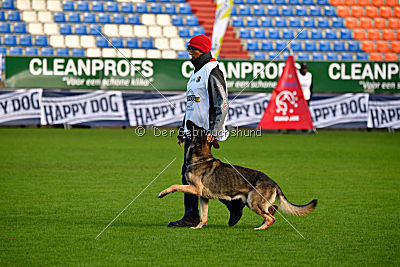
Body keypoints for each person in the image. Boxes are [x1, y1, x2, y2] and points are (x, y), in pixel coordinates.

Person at [168, 34, 245, 227]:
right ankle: (233, 204)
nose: (190, 53)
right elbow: (190, 107)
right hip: (193, 132)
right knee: (199, 175)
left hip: (204, 133)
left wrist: (214, 129)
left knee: (191, 173)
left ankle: (192, 216)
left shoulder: (213, 70)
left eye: (192, 50)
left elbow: (223, 103)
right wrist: (182, 130)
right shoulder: (196, 72)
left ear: (202, 50)